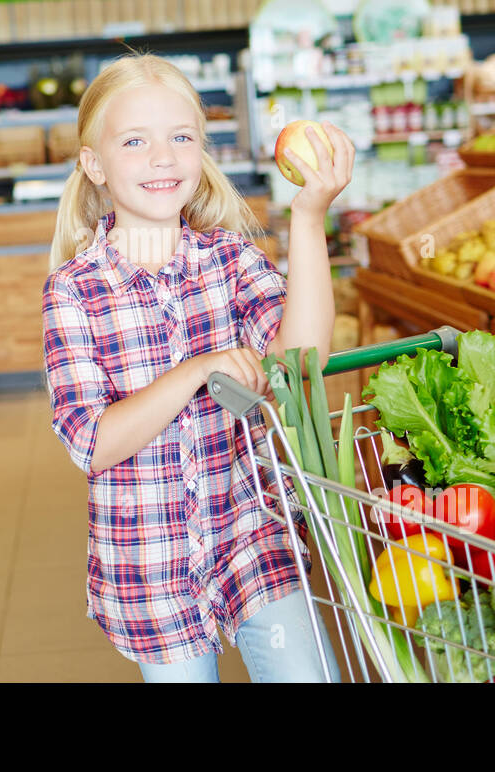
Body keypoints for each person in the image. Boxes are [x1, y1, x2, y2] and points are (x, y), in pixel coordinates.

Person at [42, 53, 354, 682]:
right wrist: (194, 373)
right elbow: (92, 441)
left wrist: (309, 215)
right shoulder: (72, 292)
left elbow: (301, 364)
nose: (163, 157)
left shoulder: (231, 259)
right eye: (135, 141)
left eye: (181, 138)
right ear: (94, 164)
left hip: (255, 532)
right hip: (151, 565)